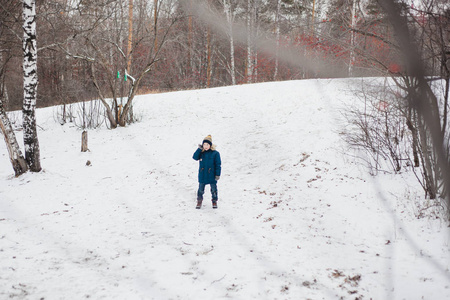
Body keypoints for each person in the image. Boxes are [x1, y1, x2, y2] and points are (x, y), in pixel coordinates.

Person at [193, 135, 221, 209]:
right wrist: (199, 149)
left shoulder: (215, 153)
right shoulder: (201, 153)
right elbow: (195, 157)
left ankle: (214, 201)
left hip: (212, 175)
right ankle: (199, 201)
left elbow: (218, 165)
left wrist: (217, 174)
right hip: (202, 175)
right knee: (200, 189)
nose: (205, 146)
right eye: (204, 144)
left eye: (207, 144)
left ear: (210, 145)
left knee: (214, 189)